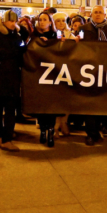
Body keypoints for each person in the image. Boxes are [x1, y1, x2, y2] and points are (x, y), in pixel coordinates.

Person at [0, 10, 26, 151]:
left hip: (12, 78)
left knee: (10, 110)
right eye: (10, 21)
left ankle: (7, 138)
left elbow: (22, 49)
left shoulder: (16, 35)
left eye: (15, 21)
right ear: (4, 21)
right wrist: (14, 51)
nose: (13, 24)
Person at [80, 6, 107, 145]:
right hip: (88, 70)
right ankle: (91, 133)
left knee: (101, 104)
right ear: (91, 14)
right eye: (95, 12)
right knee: (89, 103)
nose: (97, 15)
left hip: (103, 70)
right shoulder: (84, 29)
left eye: (100, 13)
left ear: (104, 15)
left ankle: (98, 130)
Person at [32, 11, 59, 146]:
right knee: (41, 104)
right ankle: (43, 129)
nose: (42, 22)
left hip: (53, 75)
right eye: (40, 19)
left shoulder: (55, 36)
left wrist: (50, 44)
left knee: (52, 104)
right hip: (38, 74)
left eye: (45, 19)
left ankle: (51, 130)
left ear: (50, 22)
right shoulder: (34, 35)